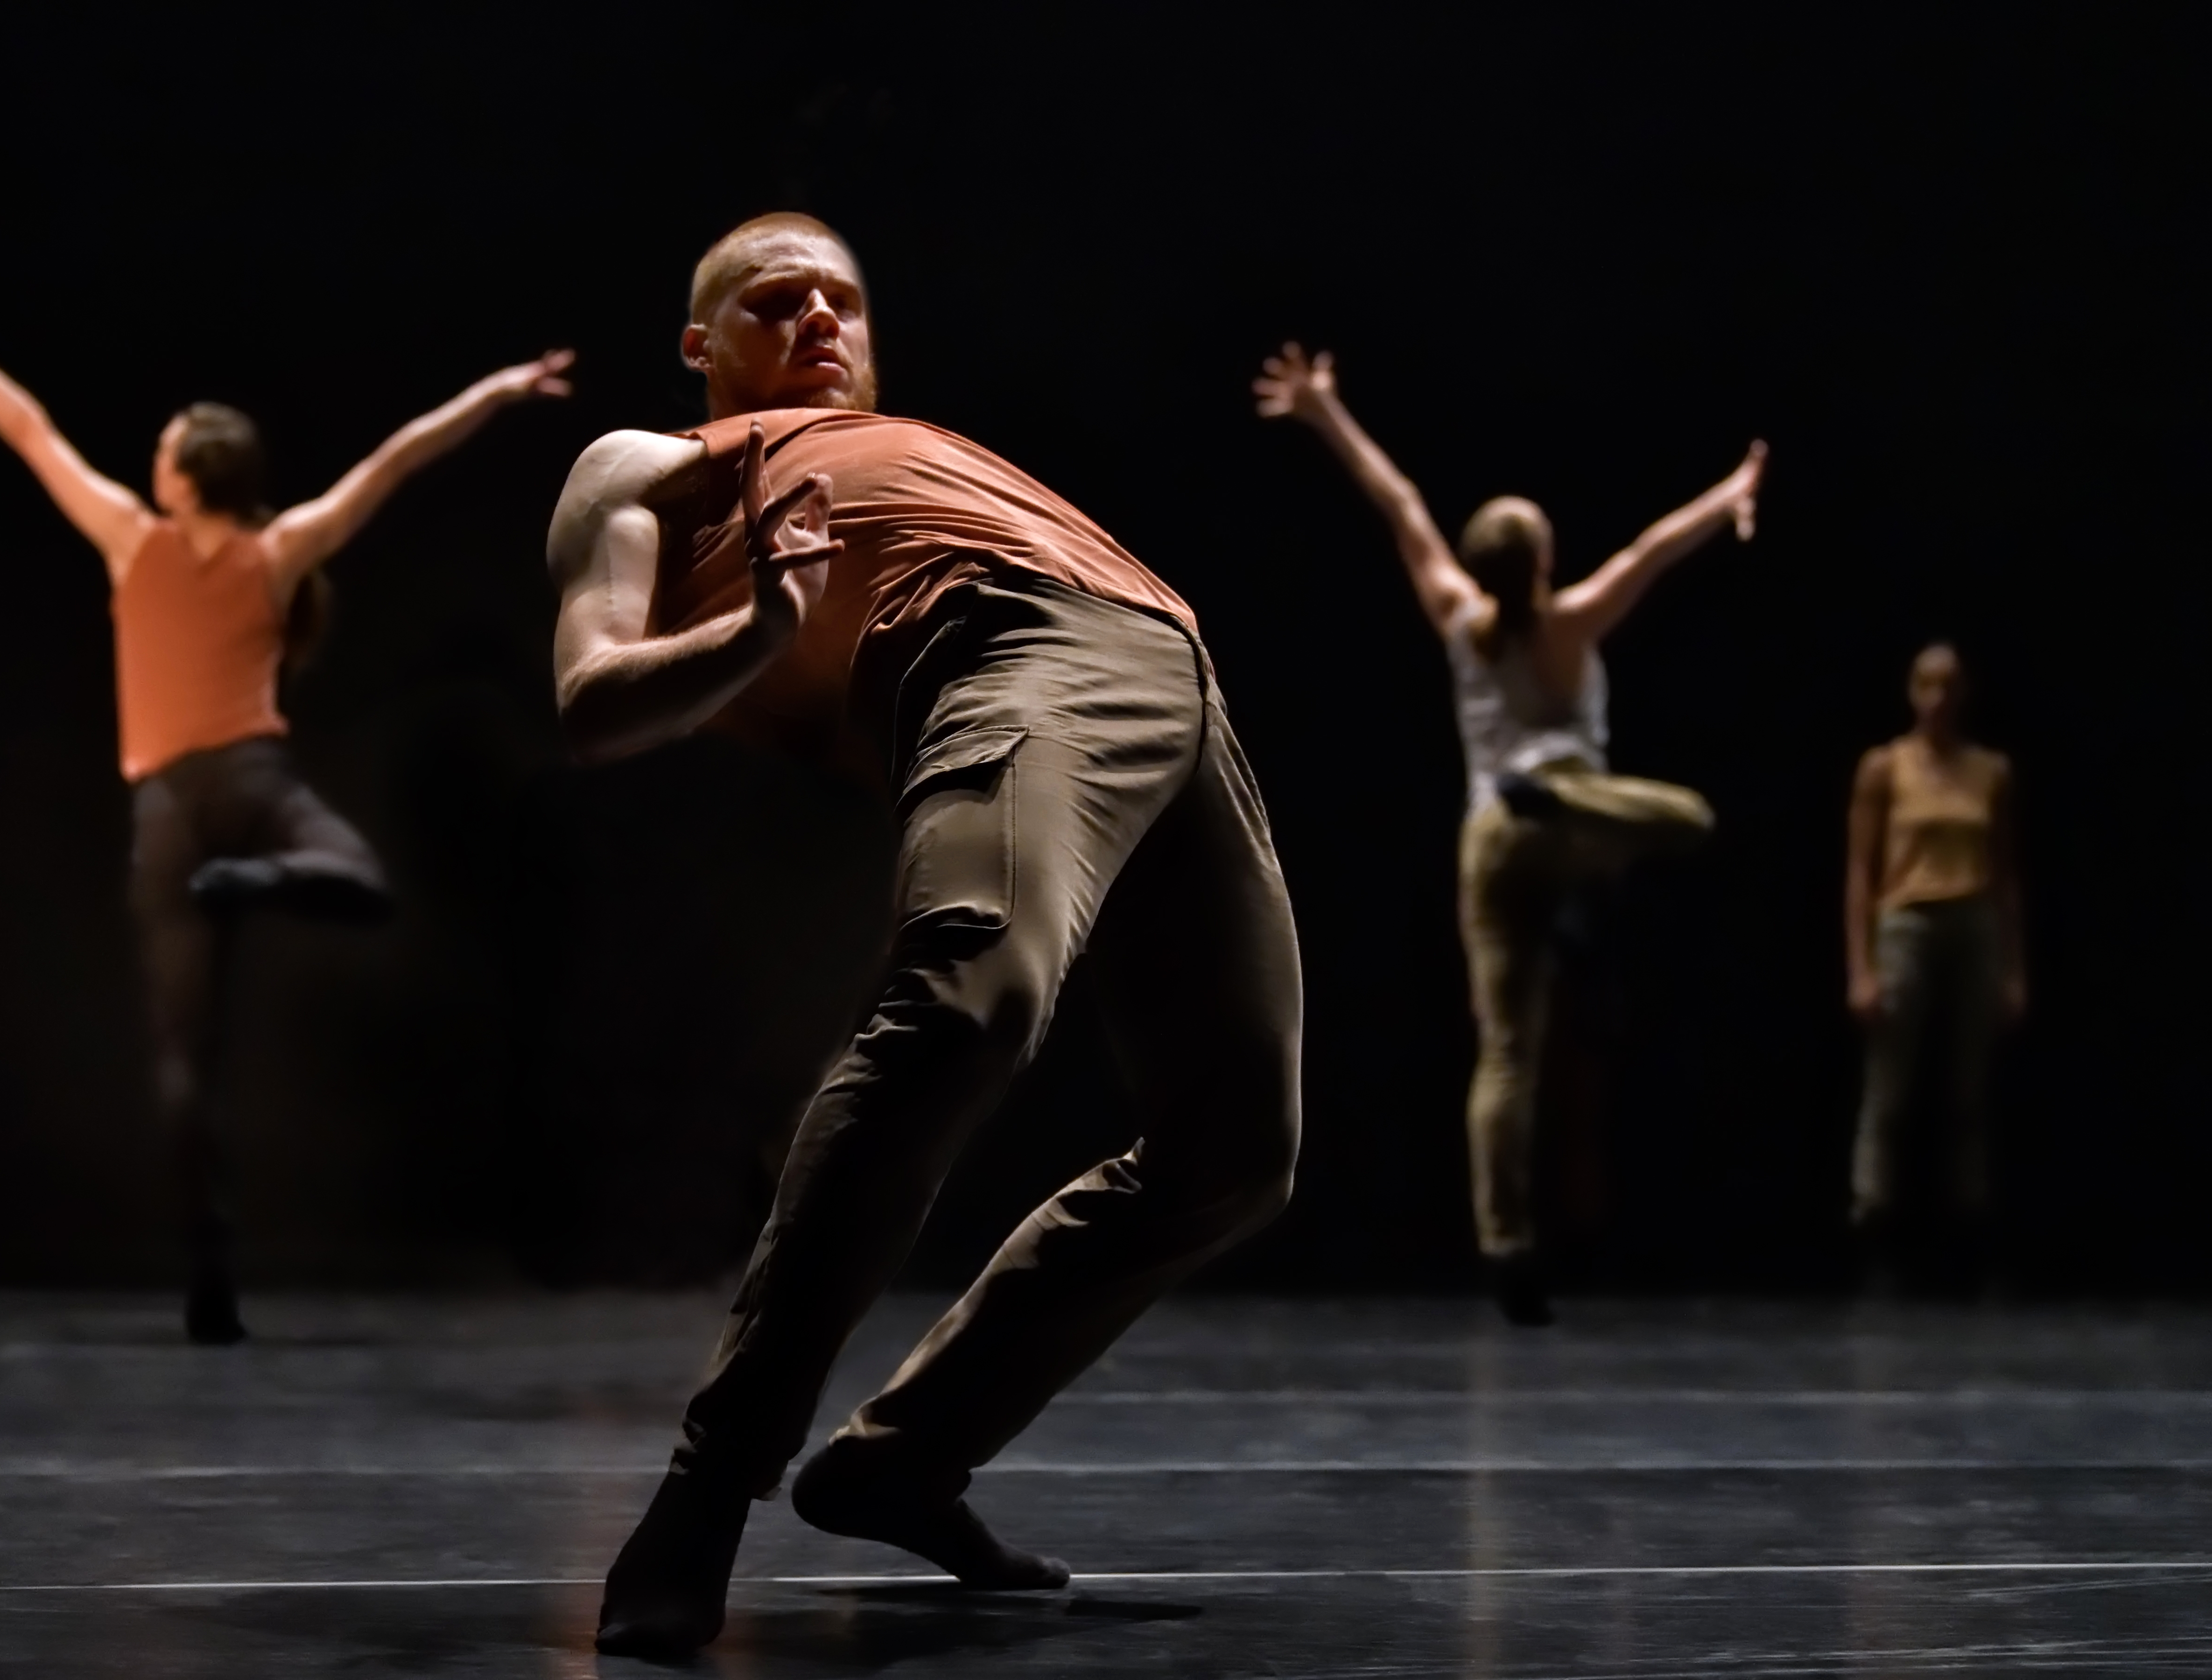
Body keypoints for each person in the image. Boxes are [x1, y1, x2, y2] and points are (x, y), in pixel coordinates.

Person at [547, 214, 1302, 1655]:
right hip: (999, 646)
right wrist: (761, 632)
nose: (821, 319)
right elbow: (592, 699)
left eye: (844, 299)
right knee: (971, 1000)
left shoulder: (906, 436)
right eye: (777, 301)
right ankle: (709, 1491)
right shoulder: (651, 464)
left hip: (1177, 678)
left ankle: (903, 1457)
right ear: (703, 344)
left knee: (1239, 1153)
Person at [0, 278, 573, 1344]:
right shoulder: (276, 551)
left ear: (189, 475)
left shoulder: (130, 539)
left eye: (163, 448)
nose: (150, 460)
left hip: (173, 812)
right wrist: (498, 393)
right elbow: (398, 460)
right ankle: (272, 878)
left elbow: (31, 434)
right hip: (252, 792)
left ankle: (211, 1278)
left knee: (184, 1058)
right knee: (357, 883)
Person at [1256, 344, 1762, 1327]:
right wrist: (1734, 490)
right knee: (1688, 818)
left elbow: (1398, 501)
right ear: (1539, 563)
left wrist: (1324, 412)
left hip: (1487, 838)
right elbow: (1655, 549)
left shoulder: (1455, 613)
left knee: (1507, 1050)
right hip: (1572, 823)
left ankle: (1506, 1242)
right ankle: (1564, 796)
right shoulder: (1568, 621)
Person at [1844, 642, 2025, 1282]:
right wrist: (1860, 969)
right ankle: (1874, 1216)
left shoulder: (1990, 771)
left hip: (1973, 920)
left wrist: (2013, 968)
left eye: (1949, 685)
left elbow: (2006, 876)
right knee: (1890, 1083)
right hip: (1908, 922)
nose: (1938, 698)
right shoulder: (1886, 767)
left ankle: (1967, 1220)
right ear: (1910, 691)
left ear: (1965, 692)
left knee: (1968, 1085)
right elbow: (1861, 873)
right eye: (1926, 684)